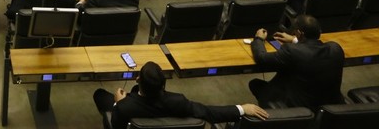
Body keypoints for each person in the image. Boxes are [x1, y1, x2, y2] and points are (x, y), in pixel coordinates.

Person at [94, 61, 267, 129]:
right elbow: (208, 112)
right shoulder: (178, 101)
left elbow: (116, 126)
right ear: (163, 84)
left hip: (129, 109)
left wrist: (118, 103)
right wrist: (242, 109)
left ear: (138, 79)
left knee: (100, 94)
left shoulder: (125, 107)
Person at [249, 14, 345, 109]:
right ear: (319, 32)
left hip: (302, 107)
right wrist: (295, 40)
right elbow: (311, 50)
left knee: (255, 84)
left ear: (299, 33)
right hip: (331, 106)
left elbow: (262, 58)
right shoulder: (335, 48)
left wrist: (259, 39)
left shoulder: (292, 51)